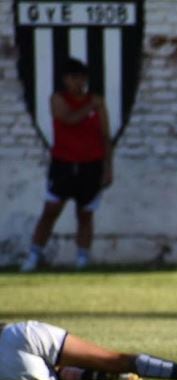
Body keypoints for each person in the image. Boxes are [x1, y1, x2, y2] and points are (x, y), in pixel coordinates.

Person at [21, 58, 113, 272]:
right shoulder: (58, 99)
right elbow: (68, 118)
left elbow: (105, 136)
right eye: (73, 78)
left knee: (85, 213)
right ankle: (34, 255)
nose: (78, 83)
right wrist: (90, 105)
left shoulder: (97, 102)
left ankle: (82, 259)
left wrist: (108, 168)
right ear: (65, 80)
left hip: (91, 164)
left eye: (81, 78)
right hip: (63, 164)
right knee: (51, 210)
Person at [0, 320, 177, 380]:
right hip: (18, 345)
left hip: (19, 340)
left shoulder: (21, 336)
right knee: (62, 375)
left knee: (114, 361)